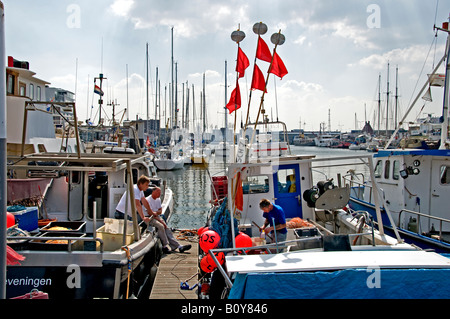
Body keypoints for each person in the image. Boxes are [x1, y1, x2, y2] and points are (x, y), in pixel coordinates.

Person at [145, 187, 191, 254]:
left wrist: (156, 213)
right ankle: (165, 245)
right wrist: (157, 216)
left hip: (156, 216)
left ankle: (178, 246)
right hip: (149, 218)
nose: (159, 194)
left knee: (167, 228)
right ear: (153, 192)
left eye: (160, 193)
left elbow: (160, 211)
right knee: (161, 226)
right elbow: (150, 213)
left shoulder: (158, 199)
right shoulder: (148, 200)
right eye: (158, 192)